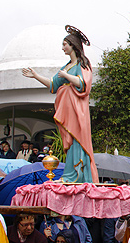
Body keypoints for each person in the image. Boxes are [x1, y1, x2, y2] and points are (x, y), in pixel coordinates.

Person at [23, 26, 98, 183]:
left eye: (65, 44)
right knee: (70, 142)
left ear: (73, 45)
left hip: (78, 110)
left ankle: (79, 176)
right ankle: (68, 175)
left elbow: (84, 84)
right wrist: (35, 76)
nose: (63, 47)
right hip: (67, 110)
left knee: (79, 141)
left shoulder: (83, 64)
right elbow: (52, 84)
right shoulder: (66, 67)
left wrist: (66, 76)